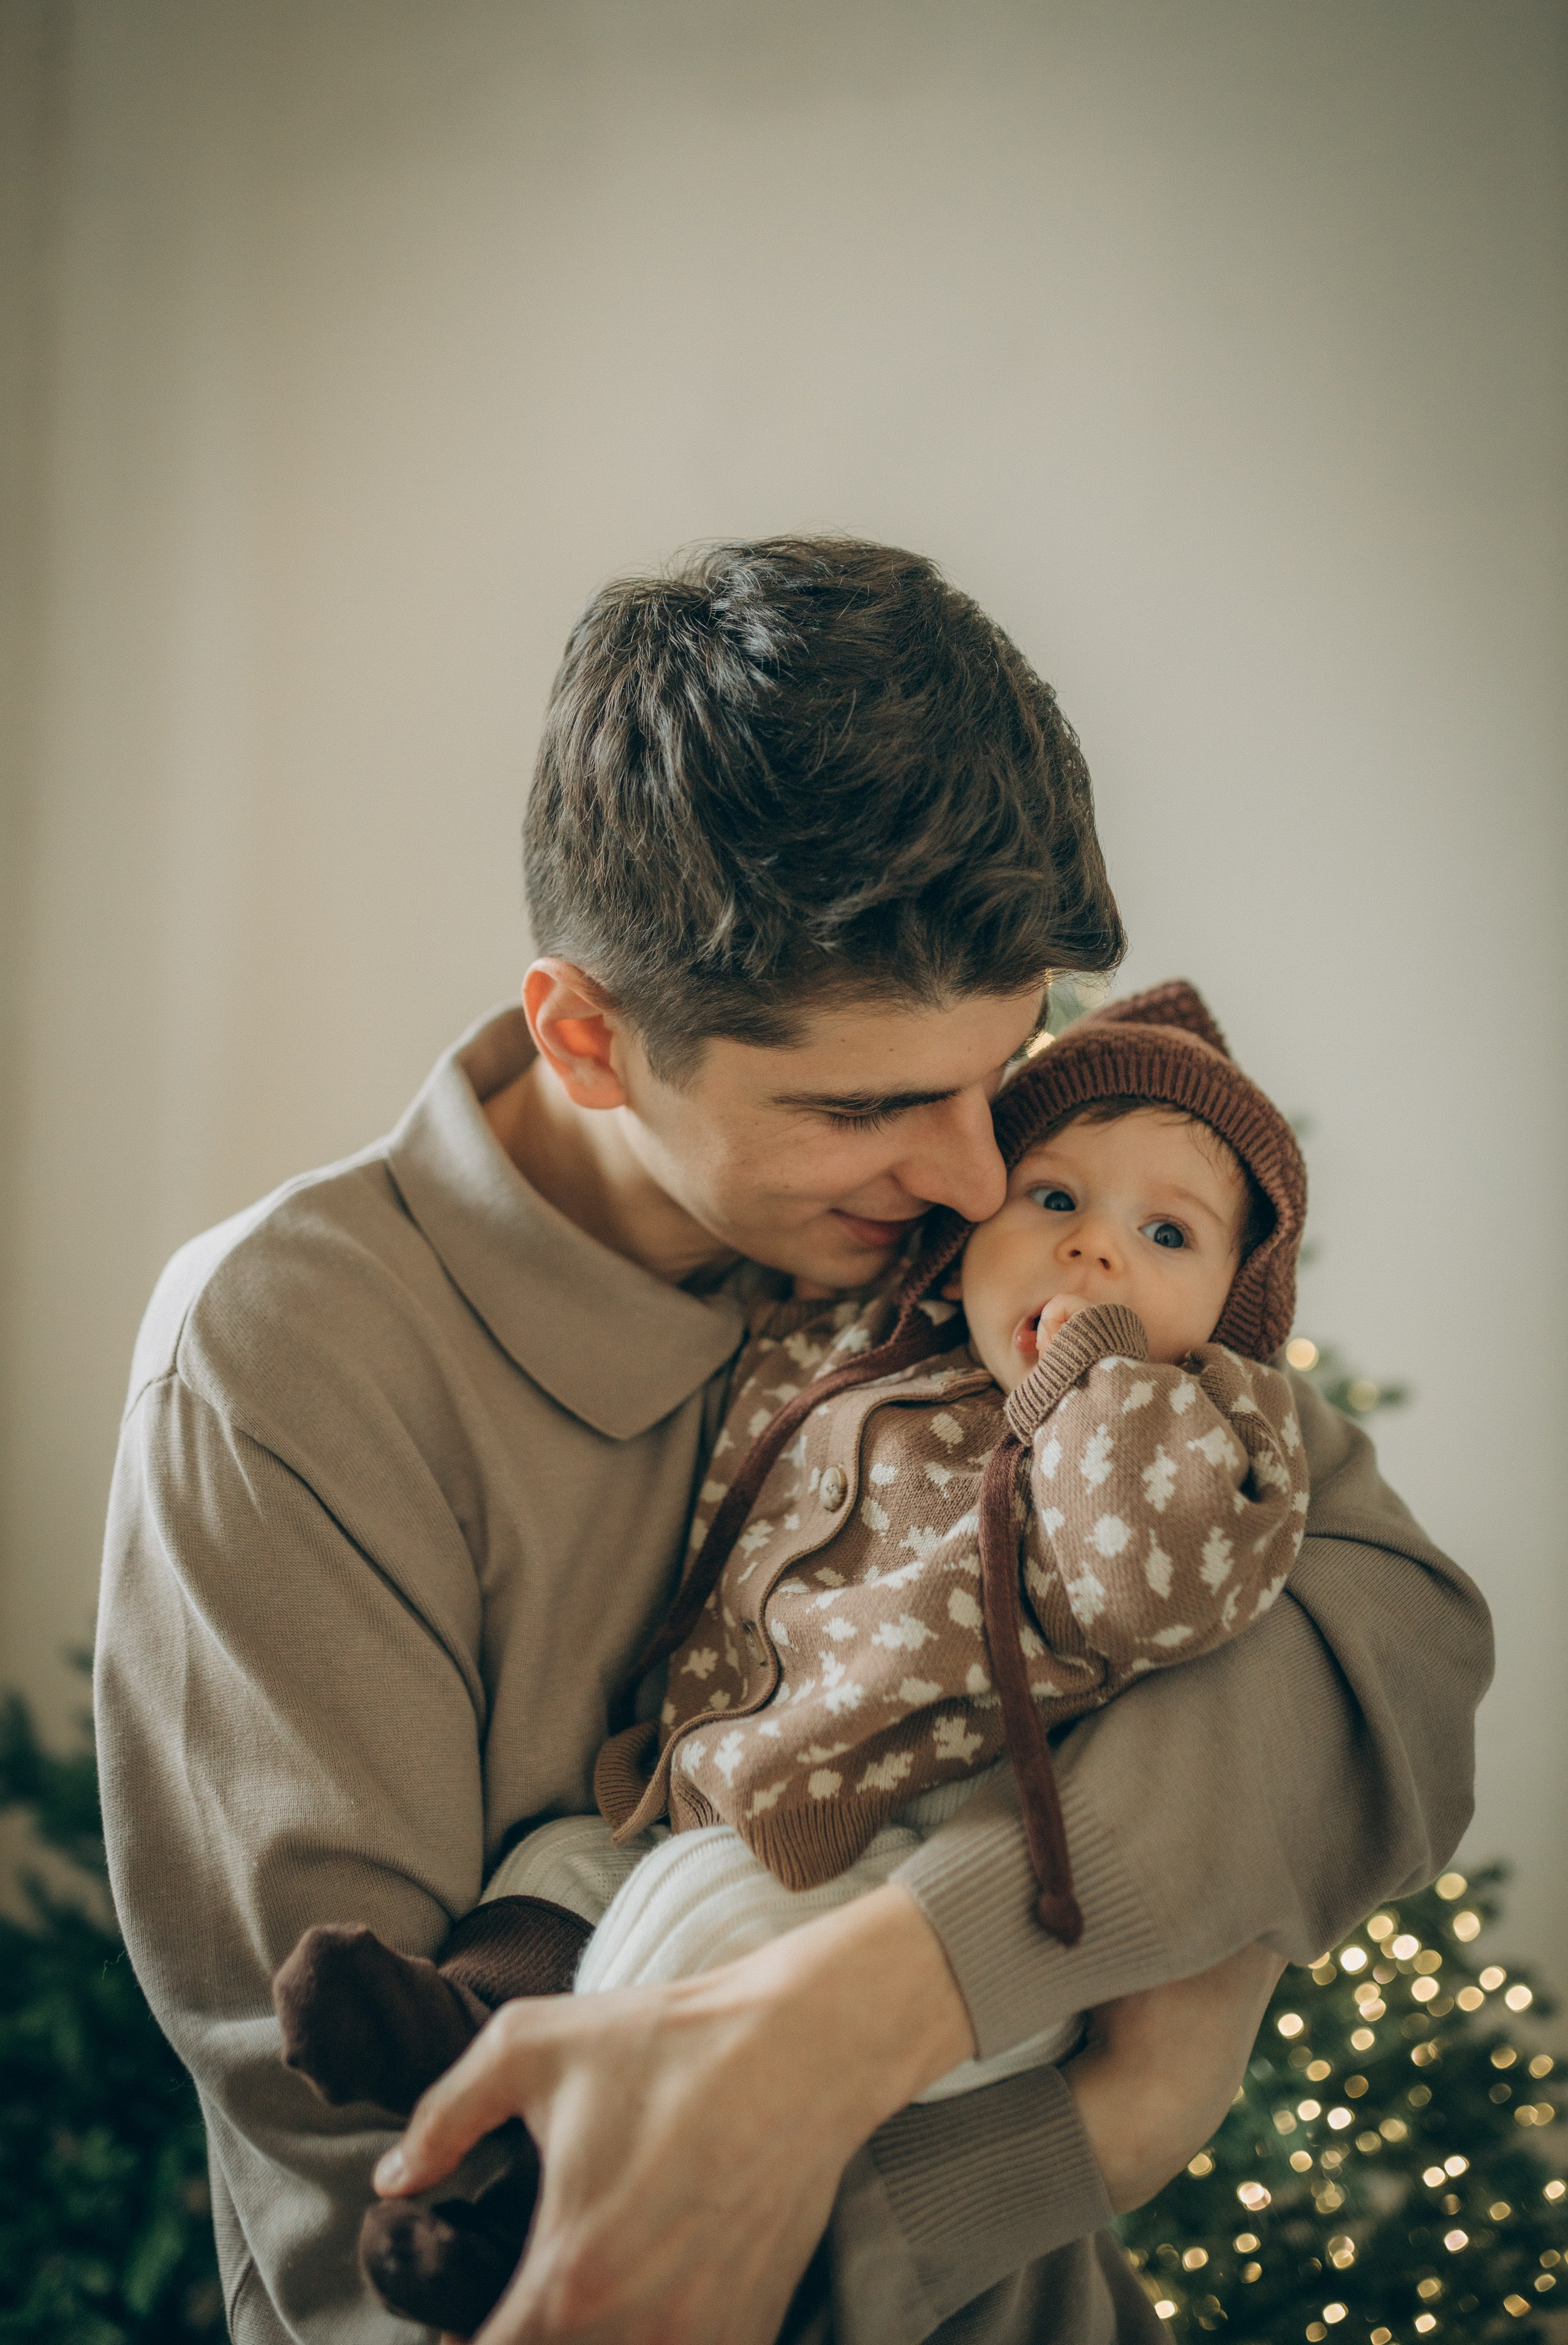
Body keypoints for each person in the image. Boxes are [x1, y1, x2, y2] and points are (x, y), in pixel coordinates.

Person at [95, 538, 1491, 2345]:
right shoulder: (280, 1373)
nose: (982, 1179)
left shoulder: (989, 1231)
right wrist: (1091, 2132)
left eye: (999, 1073)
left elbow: (1390, 1641)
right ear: (589, 1040)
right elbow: (418, 2241)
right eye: (867, 1107)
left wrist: (897, 1989)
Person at [274, 980, 1316, 2339]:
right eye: (1051, 1200)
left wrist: (1094, 1387)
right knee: (557, 1867)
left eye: (1162, 1234)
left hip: (926, 1843)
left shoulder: (1201, 1429)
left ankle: (537, 2201)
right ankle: (474, 2031)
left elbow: (1154, 1595)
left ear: (1232, 1308)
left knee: (696, 1910)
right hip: (731, 1788)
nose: (1092, 1258)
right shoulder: (873, 1327)